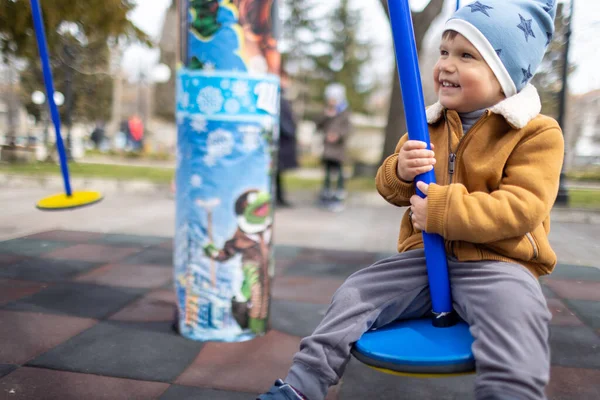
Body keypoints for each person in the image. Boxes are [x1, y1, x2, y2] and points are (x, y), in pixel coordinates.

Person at [258, 1, 562, 399]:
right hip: (426, 259)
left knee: (519, 321)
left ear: (506, 73)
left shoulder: (534, 134)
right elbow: (392, 190)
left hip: (497, 263)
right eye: (444, 52)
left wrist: (441, 209)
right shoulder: (428, 122)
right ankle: (302, 385)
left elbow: (522, 209)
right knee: (355, 294)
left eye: (467, 55)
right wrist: (399, 170)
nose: (446, 65)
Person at [317, 83, 351, 209]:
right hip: (327, 149)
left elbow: (348, 129)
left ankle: (339, 194)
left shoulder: (344, 112)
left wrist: (338, 135)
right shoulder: (327, 112)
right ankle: (326, 193)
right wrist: (326, 116)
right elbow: (319, 126)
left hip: (338, 149)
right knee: (327, 172)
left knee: (339, 172)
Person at [275, 70, 298, 207]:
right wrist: (290, 131)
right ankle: (278, 198)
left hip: (283, 142)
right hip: (281, 142)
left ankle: (279, 198)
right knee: (276, 172)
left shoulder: (283, 98)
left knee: (279, 173)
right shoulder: (279, 99)